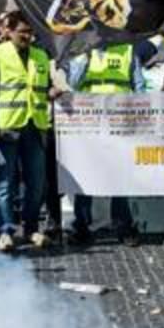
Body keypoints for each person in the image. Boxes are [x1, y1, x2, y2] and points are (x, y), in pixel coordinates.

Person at [0, 11, 60, 251]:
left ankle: (31, 229)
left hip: (35, 127)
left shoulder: (40, 55)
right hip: (6, 127)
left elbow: (42, 87)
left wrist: (52, 92)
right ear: (9, 30)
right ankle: (5, 231)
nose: (27, 36)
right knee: (5, 182)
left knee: (36, 183)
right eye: (22, 31)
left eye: (30, 31)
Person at [66, 39, 145, 245]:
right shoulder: (81, 53)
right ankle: (82, 226)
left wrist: (140, 119)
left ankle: (124, 227)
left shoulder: (127, 49)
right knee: (86, 178)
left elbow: (139, 87)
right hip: (89, 126)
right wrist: (86, 58)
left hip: (120, 124)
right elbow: (72, 84)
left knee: (118, 179)